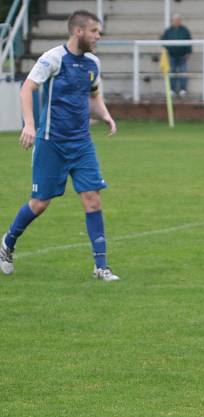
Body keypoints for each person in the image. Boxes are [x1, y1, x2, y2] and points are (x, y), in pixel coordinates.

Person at [0, 10, 119, 281]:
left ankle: (101, 266)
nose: (98, 36)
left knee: (92, 198)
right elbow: (26, 89)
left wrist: (106, 115)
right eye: (94, 31)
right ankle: (8, 242)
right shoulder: (53, 58)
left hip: (81, 144)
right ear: (78, 31)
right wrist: (29, 125)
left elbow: (95, 95)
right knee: (40, 203)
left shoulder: (93, 64)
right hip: (51, 143)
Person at [160, 14, 192, 97]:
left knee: (183, 72)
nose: (177, 21)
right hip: (171, 55)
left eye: (178, 20)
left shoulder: (185, 30)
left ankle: (183, 89)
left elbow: (189, 41)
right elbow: (163, 41)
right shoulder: (168, 31)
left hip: (183, 55)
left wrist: (189, 52)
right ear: (172, 21)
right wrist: (166, 50)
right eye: (175, 20)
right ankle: (171, 89)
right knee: (171, 72)